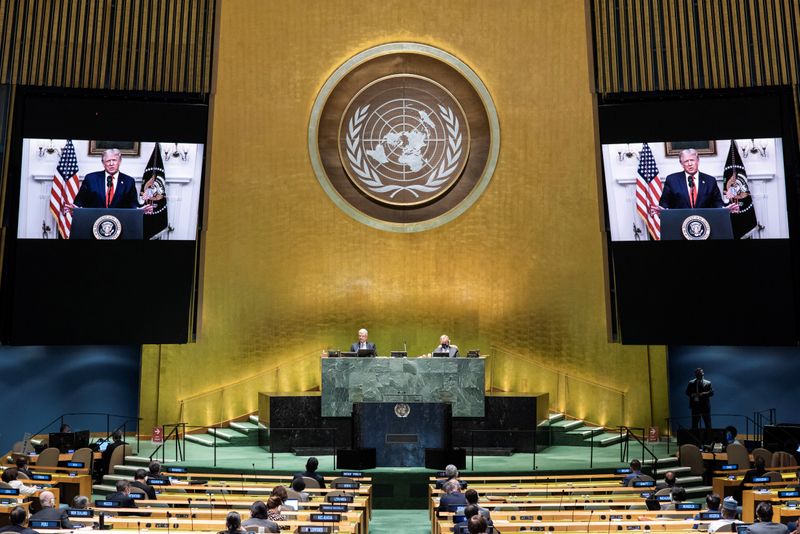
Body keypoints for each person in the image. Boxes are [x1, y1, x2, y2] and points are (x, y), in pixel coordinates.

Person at [65, 149, 151, 213]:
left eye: (114, 160)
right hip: (93, 221)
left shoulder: (128, 181)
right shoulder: (91, 178)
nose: (111, 164)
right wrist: (76, 208)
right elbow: (80, 201)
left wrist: (139, 210)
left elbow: (132, 204)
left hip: (119, 222)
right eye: (108, 161)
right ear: (103, 163)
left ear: (120, 161)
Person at [651, 149, 733, 212]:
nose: (690, 164)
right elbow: (664, 203)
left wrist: (724, 210)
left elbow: (717, 203)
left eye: (692, 160)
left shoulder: (710, 181)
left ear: (698, 161)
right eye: (686, 161)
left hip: (705, 222)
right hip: (680, 223)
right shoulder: (672, 180)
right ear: (681, 164)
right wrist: (663, 211)